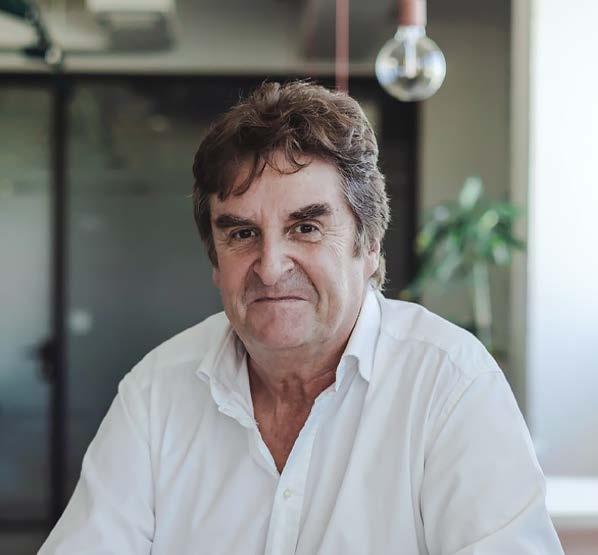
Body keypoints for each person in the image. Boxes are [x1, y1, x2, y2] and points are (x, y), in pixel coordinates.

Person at [39, 81, 564, 555]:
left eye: (306, 228)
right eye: (242, 234)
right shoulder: (156, 392)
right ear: (215, 261)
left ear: (370, 246)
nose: (270, 268)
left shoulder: (448, 382)